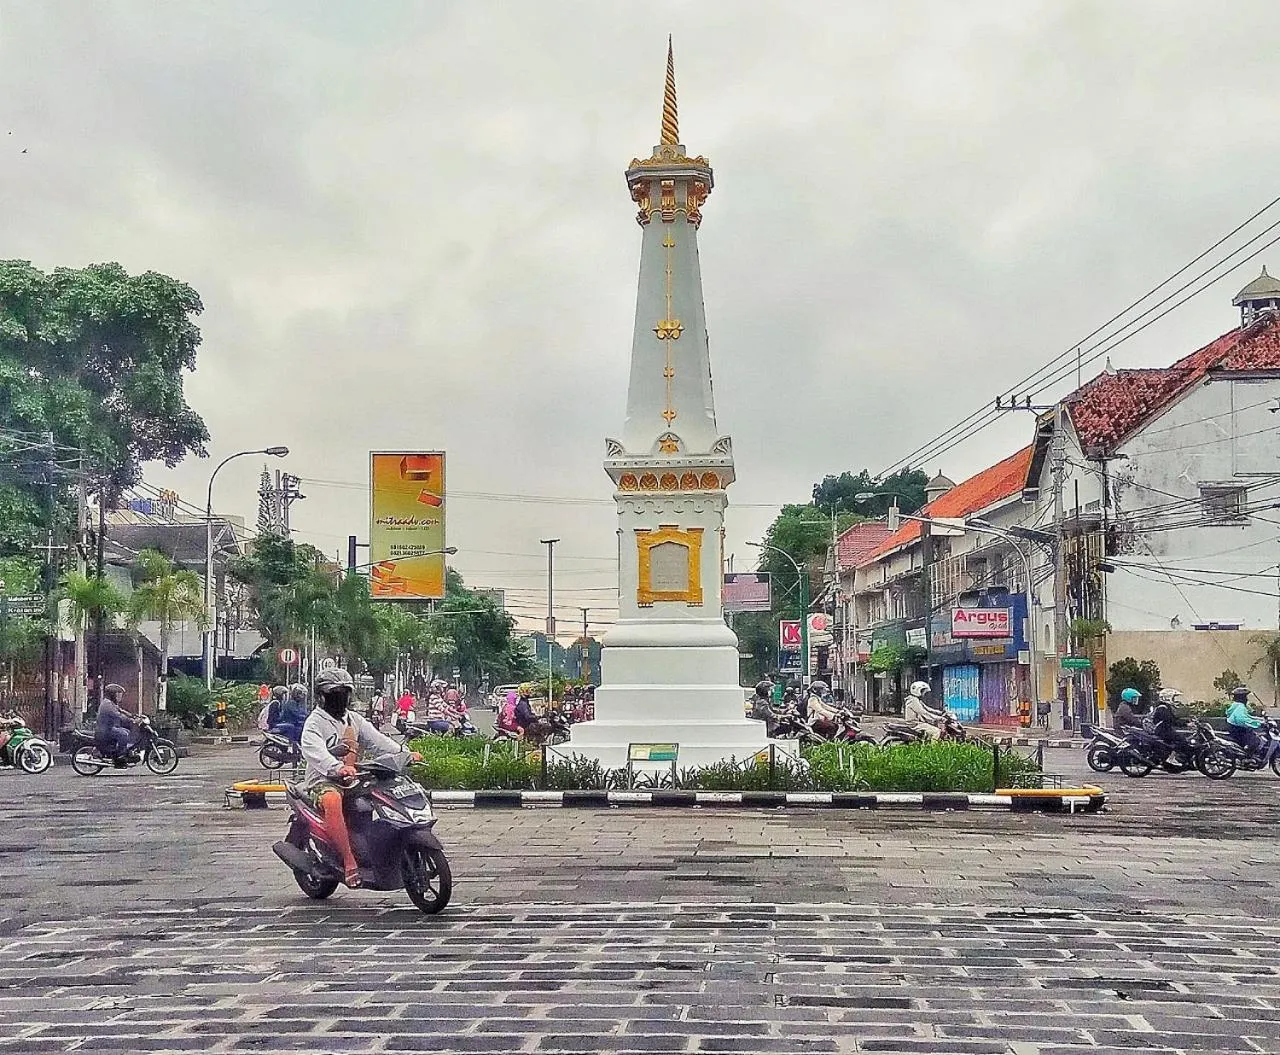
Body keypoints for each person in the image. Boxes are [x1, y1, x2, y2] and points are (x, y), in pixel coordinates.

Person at [300, 667, 420, 889]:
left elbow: (378, 741)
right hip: (323, 780)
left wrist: (404, 753)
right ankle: (348, 860)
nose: (341, 698)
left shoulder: (354, 719)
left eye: (345, 693)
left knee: (384, 794)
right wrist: (337, 767)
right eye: (336, 694)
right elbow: (315, 751)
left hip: (355, 777)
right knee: (332, 800)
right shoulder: (314, 723)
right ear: (322, 696)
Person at [95, 683, 138, 762]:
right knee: (123, 734)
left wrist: (133, 715)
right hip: (104, 730)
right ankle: (120, 756)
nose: (120, 697)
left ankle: (118, 750)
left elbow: (121, 710)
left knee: (126, 731)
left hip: (108, 728)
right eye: (118, 695)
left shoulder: (110, 703)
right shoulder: (107, 704)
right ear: (112, 695)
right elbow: (118, 715)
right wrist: (132, 720)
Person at [1225, 686, 1265, 755]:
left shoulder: (1235, 705)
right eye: (1245, 697)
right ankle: (1248, 756)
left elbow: (1247, 716)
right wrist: (1258, 724)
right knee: (1255, 741)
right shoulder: (1240, 707)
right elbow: (1243, 720)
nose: (1247, 699)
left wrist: (1259, 719)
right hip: (1239, 731)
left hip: (1233, 729)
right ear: (1241, 698)